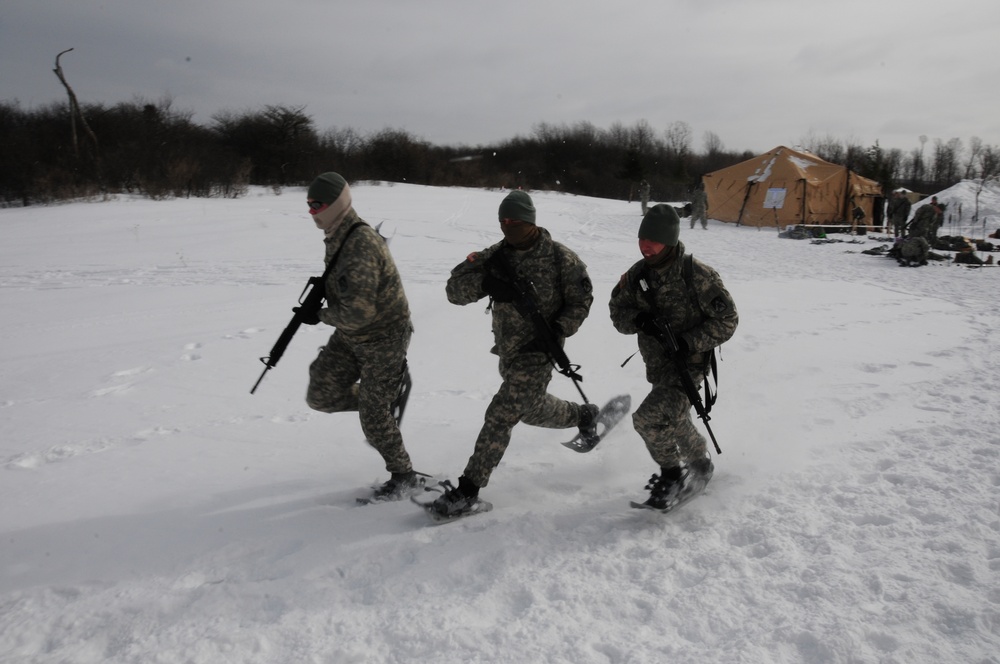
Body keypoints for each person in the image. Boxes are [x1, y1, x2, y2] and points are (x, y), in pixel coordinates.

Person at [429, 191, 597, 518]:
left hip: (540, 351)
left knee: (502, 412)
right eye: (504, 222)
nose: (509, 227)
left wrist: (560, 329)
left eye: (516, 221)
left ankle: (468, 490)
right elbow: (454, 292)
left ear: (531, 221)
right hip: (508, 351)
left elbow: (581, 301)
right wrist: (488, 282)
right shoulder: (495, 257)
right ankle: (583, 416)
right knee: (529, 408)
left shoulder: (561, 258)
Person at [302, 172, 422, 503]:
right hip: (350, 334)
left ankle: (403, 475)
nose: (312, 211)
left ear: (336, 204)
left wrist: (319, 315)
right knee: (320, 395)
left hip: (384, 336)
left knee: (373, 417)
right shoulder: (336, 234)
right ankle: (384, 399)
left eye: (318, 205)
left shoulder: (360, 244)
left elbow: (360, 313)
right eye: (308, 205)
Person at [609, 204, 738, 509]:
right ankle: (700, 464)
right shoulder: (637, 276)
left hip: (689, 367)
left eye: (652, 240)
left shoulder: (697, 275)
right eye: (642, 239)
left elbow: (728, 320)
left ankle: (672, 476)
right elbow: (617, 313)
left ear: (669, 240)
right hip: (657, 367)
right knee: (674, 417)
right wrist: (640, 320)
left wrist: (688, 341)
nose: (645, 246)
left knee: (648, 418)